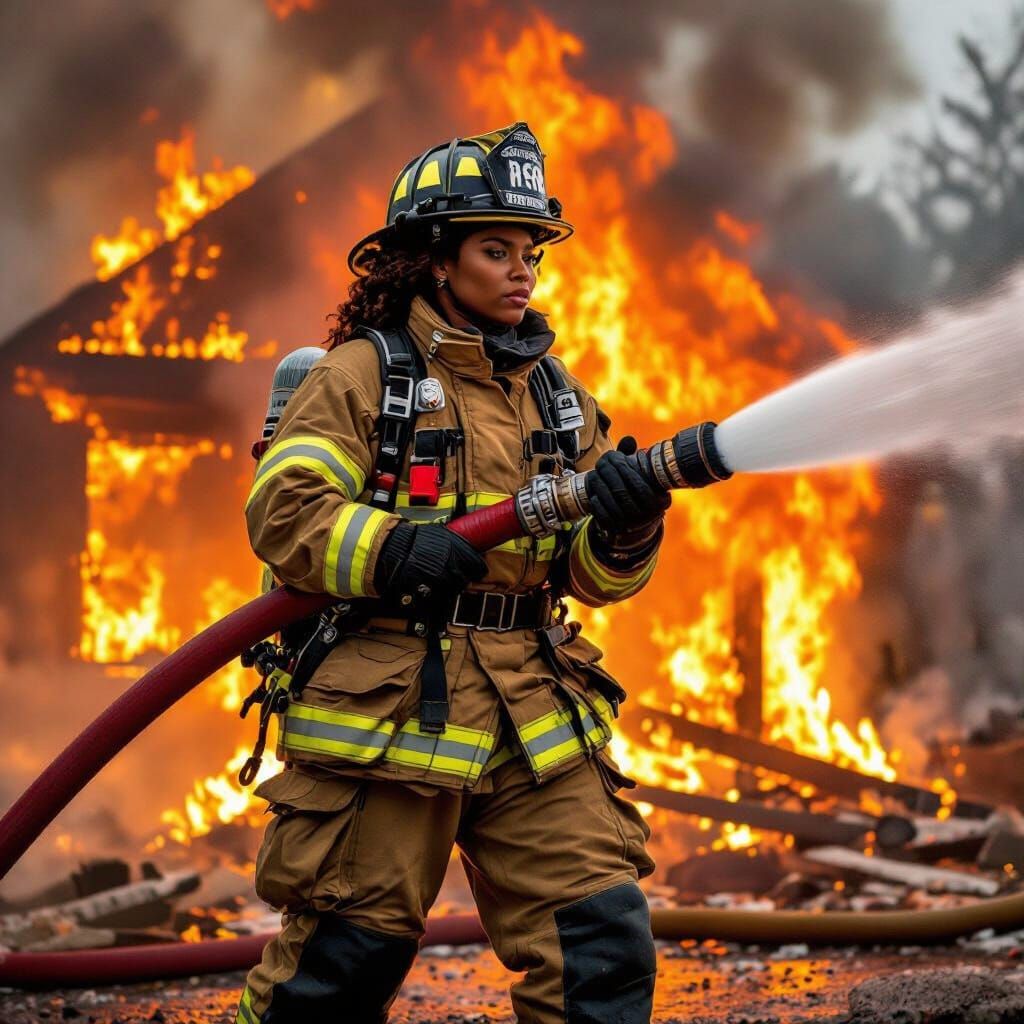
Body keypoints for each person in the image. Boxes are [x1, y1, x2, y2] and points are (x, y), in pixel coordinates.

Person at [236, 122, 669, 1024]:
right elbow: (284, 510)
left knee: (602, 941)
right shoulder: (363, 376)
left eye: (531, 253)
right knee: (343, 966)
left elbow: (593, 579)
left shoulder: (555, 394)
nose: (523, 272)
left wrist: (629, 525)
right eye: (495, 250)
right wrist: (394, 547)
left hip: (531, 711)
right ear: (436, 260)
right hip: (389, 713)